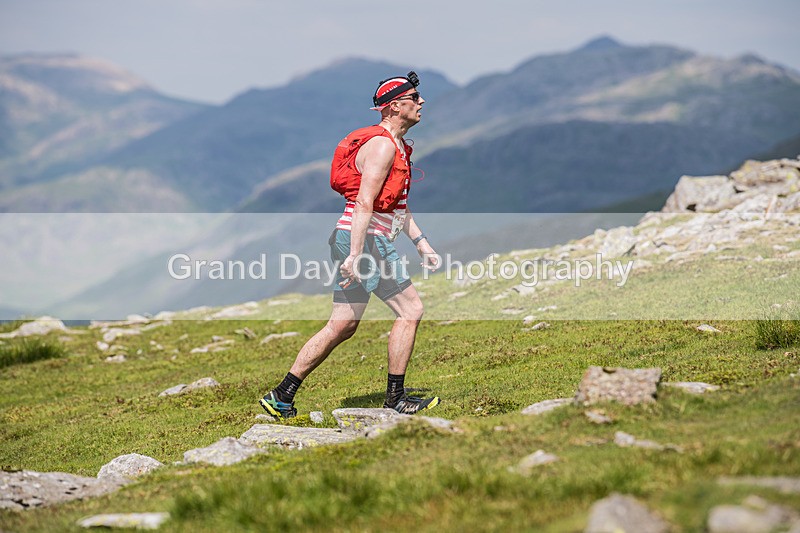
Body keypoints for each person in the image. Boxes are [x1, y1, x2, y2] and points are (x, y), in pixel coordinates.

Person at [260, 71, 441, 419]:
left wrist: (421, 244)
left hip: (355, 239)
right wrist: (356, 255)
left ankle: (281, 394)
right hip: (365, 241)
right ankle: (396, 399)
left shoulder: (398, 145)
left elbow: (396, 207)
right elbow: (364, 202)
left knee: (342, 324)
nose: (421, 103)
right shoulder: (383, 146)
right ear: (395, 106)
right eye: (415, 98)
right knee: (411, 311)